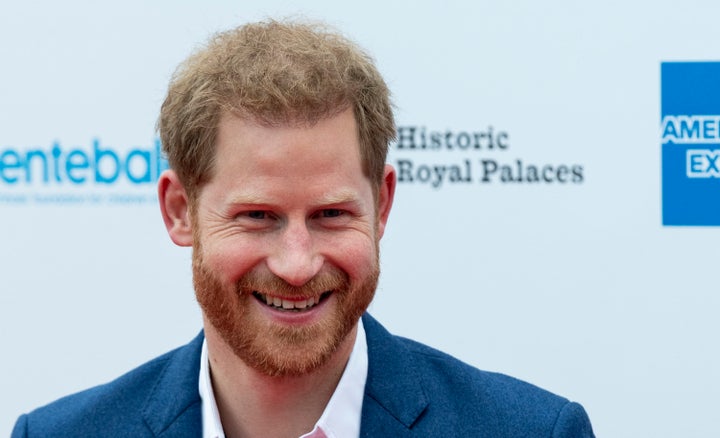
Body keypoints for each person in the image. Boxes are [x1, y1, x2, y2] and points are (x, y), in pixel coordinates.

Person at [12, 20, 595, 438]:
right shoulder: (58, 433)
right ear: (179, 211)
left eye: (331, 215)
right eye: (257, 217)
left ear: (382, 205)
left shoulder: (533, 430)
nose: (297, 263)